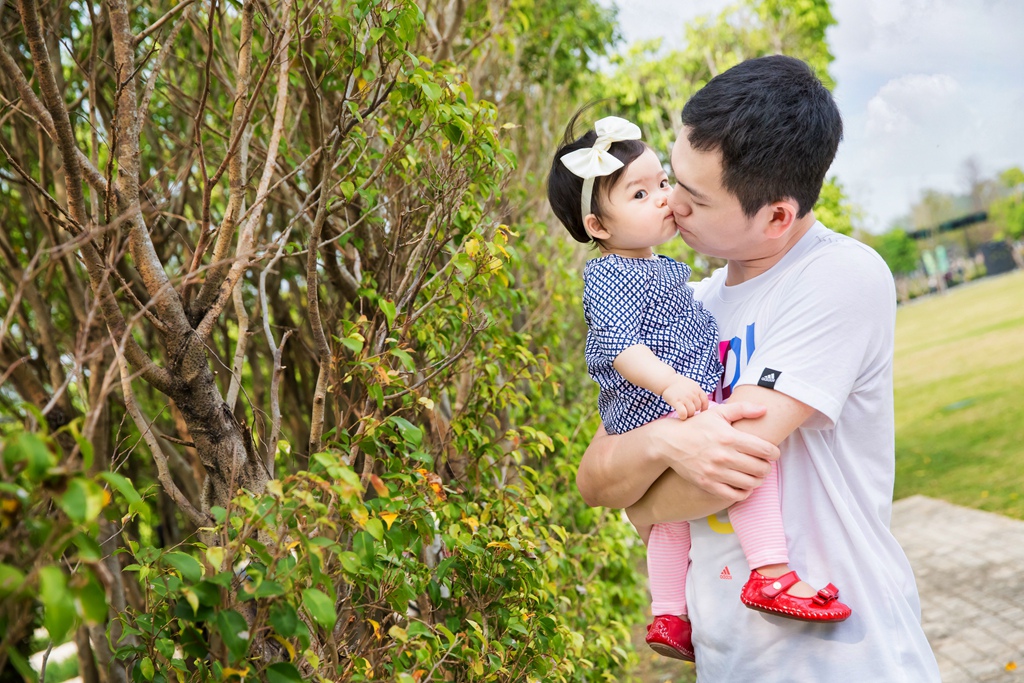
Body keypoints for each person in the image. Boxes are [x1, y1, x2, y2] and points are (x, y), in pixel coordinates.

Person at [575, 55, 941, 681]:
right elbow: (594, 479)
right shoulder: (687, 307)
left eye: (691, 196)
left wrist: (643, 502)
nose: (671, 207)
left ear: (776, 214)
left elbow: (726, 468)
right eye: (668, 181)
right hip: (729, 660)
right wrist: (663, 441)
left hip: (848, 657)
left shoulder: (838, 277)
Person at [547, 113, 851, 663]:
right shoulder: (611, 275)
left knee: (667, 524)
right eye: (643, 193)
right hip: (659, 401)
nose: (667, 200)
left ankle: (668, 611)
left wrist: (641, 501)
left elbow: (620, 489)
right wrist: (672, 388)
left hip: (657, 411)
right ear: (598, 226)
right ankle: (771, 572)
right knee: (751, 465)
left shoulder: (670, 273)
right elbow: (620, 349)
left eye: (665, 183)